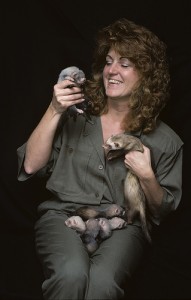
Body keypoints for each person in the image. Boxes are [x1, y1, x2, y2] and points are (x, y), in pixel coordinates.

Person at [17, 18, 183, 300]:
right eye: (109, 61)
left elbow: (160, 212)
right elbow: (31, 165)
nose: (112, 70)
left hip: (122, 225)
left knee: (102, 285)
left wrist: (146, 176)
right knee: (71, 274)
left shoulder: (165, 140)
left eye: (125, 64)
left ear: (147, 75)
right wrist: (55, 110)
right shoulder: (74, 115)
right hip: (63, 216)